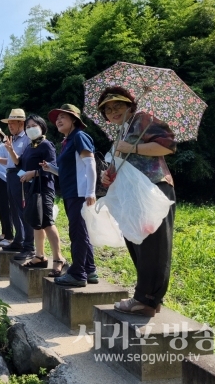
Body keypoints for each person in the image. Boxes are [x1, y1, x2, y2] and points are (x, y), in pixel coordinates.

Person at [98, 87, 176, 317]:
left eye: (118, 105)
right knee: (137, 241)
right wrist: (106, 175)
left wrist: (132, 147)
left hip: (154, 188)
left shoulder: (142, 119)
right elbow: (118, 164)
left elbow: (167, 145)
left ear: (130, 105)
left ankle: (146, 299)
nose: (113, 111)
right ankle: (147, 298)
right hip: (133, 194)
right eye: (108, 109)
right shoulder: (122, 132)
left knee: (154, 246)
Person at [42, 104, 97, 287]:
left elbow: (90, 163)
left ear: (74, 119)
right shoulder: (67, 141)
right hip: (71, 192)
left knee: (78, 233)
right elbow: (67, 171)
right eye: (57, 118)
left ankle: (78, 274)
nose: (58, 120)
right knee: (81, 231)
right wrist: (50, 168)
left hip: (80, 193)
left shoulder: (79, 136)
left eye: (63, 117)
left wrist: (91, 191)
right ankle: (89, 270)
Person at [12, 115, 66, 273]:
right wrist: (10, 151)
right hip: (31, 189)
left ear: (42, 127)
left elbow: (52, 168)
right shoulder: (30, 147)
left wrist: (33, 173)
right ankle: (39, 256)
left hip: (44, 188)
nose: (30, 129)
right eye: (27, 127)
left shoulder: (46, 145)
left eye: (34, 125)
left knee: (47, 223)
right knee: (36, 223)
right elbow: (19, 164)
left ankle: (58, 258)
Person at [0, 109, 33, 260]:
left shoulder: (27, 138)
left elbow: (21, 162)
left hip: (20, 175)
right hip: (10, 174)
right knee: (14, 210)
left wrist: (11, 152)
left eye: (13, 122)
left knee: (23, 210)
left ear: (21, 123)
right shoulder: (12, 139)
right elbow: (10, 161)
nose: (10, 126)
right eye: (9, 123)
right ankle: (18, 240)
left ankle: (28, 244)